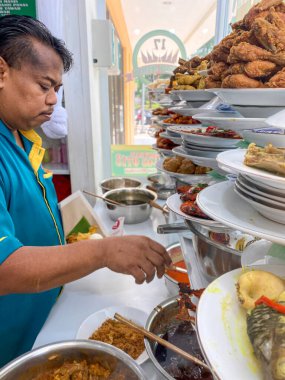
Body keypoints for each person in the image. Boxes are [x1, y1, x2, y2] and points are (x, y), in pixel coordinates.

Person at [0, 15, 171, 366]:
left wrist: (75, 223)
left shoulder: (22, 136)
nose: (52, 101)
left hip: (49, 316)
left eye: (57, 90)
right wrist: (103, 253)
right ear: (1, 72)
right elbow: (5, 268)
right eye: (43, 85)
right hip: (14, 346)